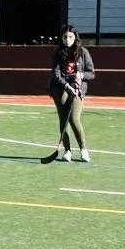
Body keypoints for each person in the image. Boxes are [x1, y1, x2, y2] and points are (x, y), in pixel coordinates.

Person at [41, 25, 95, 164]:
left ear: (75, 38)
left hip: (77, 89)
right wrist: (66, 86)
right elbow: (56, 75)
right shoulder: (58, 53)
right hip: (60, 88)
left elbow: (91, 73)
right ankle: (67, 151)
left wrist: (80, 75)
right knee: (63, 119)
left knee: (74, 119)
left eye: (70, 37)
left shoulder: (83, 52)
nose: (67, 40)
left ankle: (83, 150)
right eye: (65, 37)